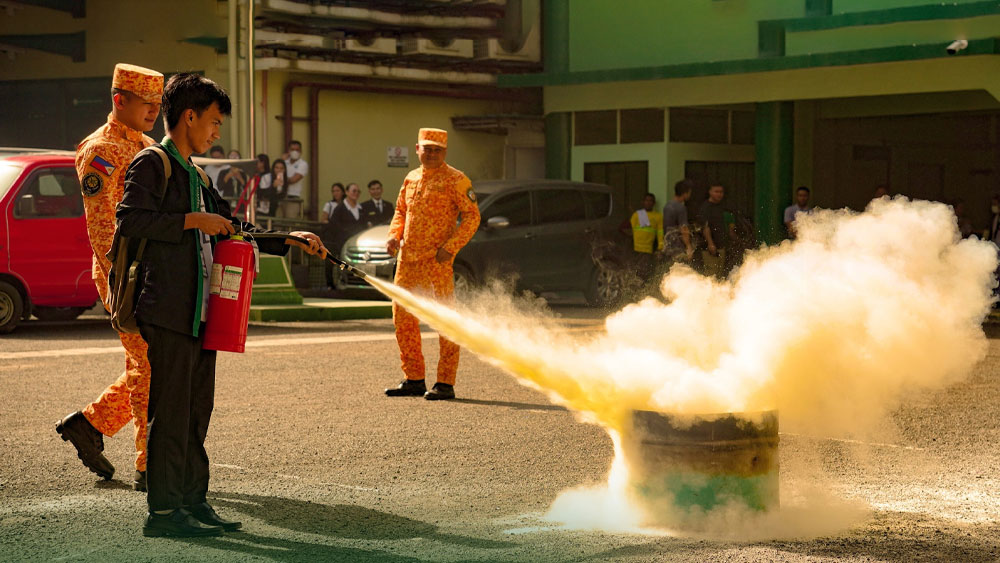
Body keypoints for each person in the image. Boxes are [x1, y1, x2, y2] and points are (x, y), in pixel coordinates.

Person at [116, 73, 326, 537]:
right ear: (188, 117)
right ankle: (165, 514)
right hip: (167, 309)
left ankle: (194, 501)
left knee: (196, 411)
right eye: (213, 121)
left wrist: (287, 238)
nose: (216, 132)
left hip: (200, 311)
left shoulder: (196, 174)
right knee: (169, 413)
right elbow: (130, 220)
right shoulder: (153, 164)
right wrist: (193, 220)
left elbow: (230, 225)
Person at [57, 63, 163, 492]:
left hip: (154, 271)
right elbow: (101, 227)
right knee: (149, 364)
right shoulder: (99, 151)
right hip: (126, 276)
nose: (154, 111)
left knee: (151, 363)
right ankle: (149, 464)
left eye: (158, 104)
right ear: (120, 101)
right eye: (146, 104)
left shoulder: (147, 145)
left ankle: (89, 425)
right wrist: (128, 279)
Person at [384, 128, 480, 401]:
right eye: (427, 149)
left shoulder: (456, 180)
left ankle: (445, 383)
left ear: (445, 152)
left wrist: (450, 248)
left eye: (437, 150)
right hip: (407, 261)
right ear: (417, 149)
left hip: (436, 262)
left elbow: (472, 217)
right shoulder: (411, 177)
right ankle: (413, 378)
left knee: (444, 320)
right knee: (403, 320)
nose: (431, 154)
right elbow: (401, 210)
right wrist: (393, 235)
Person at [696, 184, 736, 278]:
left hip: (721, 246)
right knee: (711, 275)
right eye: (716, 191)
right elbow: (705, 227)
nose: (719, 194)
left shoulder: (720, 207)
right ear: (710, 192)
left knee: (719, 274)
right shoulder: (705, 207)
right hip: (709, 248)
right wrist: (710, 243)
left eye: (721, 192)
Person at [628, 193, 663, 280]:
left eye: (650, 201)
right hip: (635, 250)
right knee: (633, 271)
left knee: (644, 273)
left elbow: (660, 232)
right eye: (646, 200)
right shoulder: (636, 215)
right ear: (643, 202)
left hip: (647, 250)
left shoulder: (658, 216)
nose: (648, 203)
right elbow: (630, 230)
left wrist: (660, 247)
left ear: (654, 203)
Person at [330, 182, 366, 258]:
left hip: (358, 244)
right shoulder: (339, 208)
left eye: (358, 191)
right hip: (343, 245)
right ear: (346, 192)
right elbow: (334, 227)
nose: (356, 193)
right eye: (354, 191)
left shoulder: (361, 209)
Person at [662, 179, 694, 263]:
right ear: (685, 193)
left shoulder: (667, 206)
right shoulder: (681, 208)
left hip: (668, 244)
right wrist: (688, 246)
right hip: (678, 246)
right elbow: (683, 229)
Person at [321, 182, 346, 289]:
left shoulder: (346, 205)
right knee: (330, 260)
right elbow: (323, 219)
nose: (335, 193)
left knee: (343, 259)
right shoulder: (329, 205)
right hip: (331, 236)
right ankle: (330, 284)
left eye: (338, 191)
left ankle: (343, 281)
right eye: (333, 191)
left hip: (342, 236)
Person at [234, 154, 269, 221]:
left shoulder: (266, 176)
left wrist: (241, 180)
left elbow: (260, 192)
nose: (255, 164)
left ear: (263, 163)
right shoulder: (255, 174)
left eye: (257, 162)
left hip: (261, 208)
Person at [279, 139, 307, 217]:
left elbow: (294, 180)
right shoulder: (284, 162)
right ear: (289, 151)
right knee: (278, 224)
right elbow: (276, 174)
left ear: (301, 151)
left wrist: (281, 180)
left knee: (290, 223)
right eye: (292, 149)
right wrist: (282, 161)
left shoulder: (303, 164)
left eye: (297, 150)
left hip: (293, 198)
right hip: (280, 196)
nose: (295, 152)